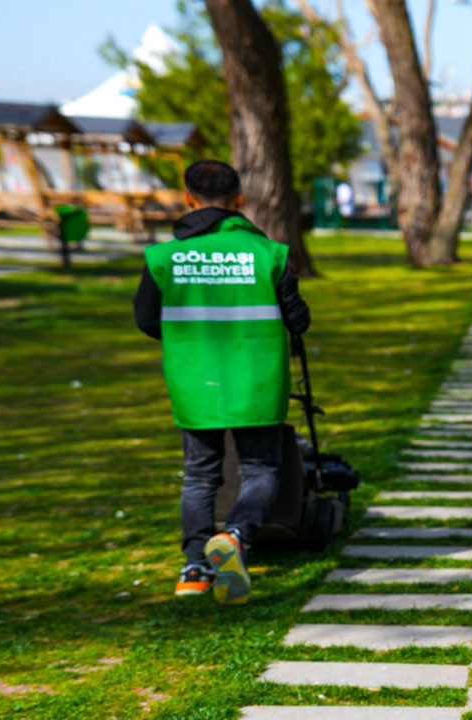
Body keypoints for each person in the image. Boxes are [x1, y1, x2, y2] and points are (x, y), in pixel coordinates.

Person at [134, 160, 310, 605]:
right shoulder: (269, 253)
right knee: (260, 468)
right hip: (256, 377)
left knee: (200, 474)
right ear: (239, 200)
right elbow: (297, 319)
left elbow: (146, 320)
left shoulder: (162, 257)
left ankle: (194, 569)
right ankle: (235, 536)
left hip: (196, 378)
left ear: (188, 197)